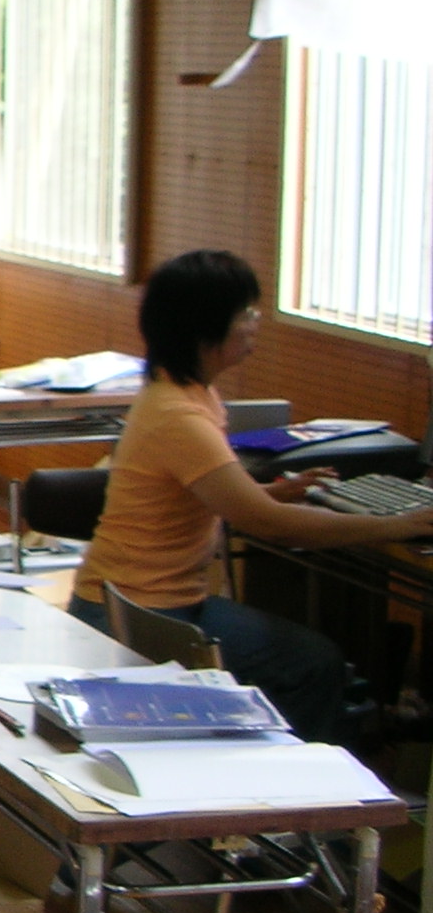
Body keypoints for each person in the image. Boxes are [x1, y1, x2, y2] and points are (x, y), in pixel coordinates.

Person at [70, 249, 433, 740]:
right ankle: (300, 805)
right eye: (246, 313)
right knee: (314, 665)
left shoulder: (188, 392)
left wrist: (271, 491)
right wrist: (394, 525)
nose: (255, 323)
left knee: (310, 659)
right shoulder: (180, 415)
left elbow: (211, 495)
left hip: (146, 599)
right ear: (207, 328)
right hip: (138, 613)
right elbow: (269, 525)